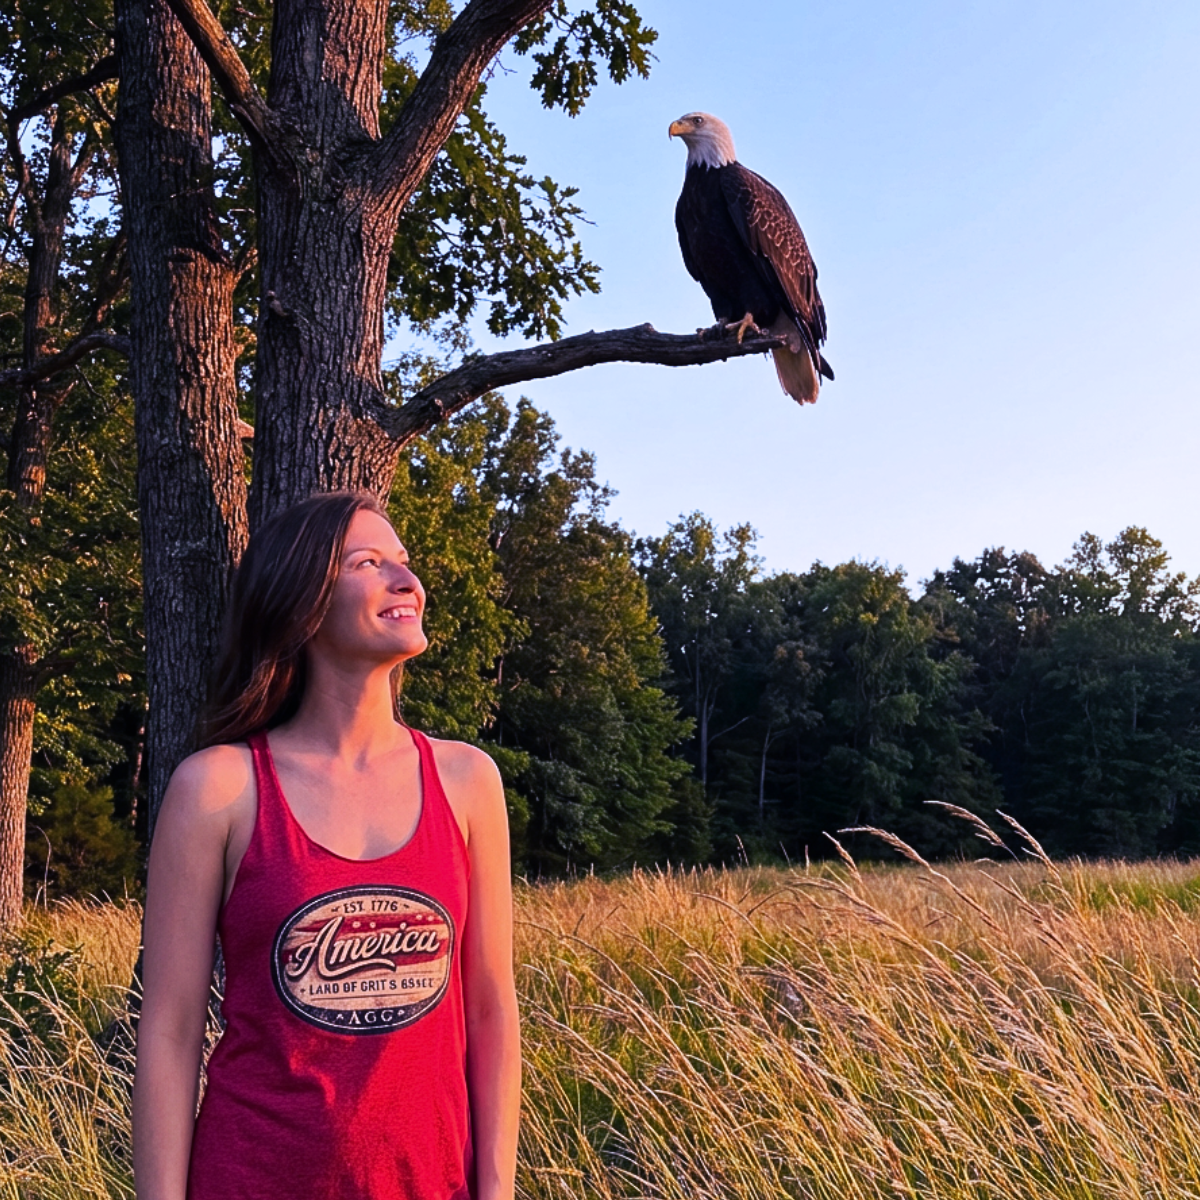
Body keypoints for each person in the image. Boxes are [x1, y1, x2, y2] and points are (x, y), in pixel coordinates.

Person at [133, 491, 520, 1200]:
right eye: (369, 563)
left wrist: (495, 1190)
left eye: (404, 562)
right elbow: (170, 1028)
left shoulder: (468, 782)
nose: (408, 582)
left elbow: (491, 1009)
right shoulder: (218, 789)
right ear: (300, 600)